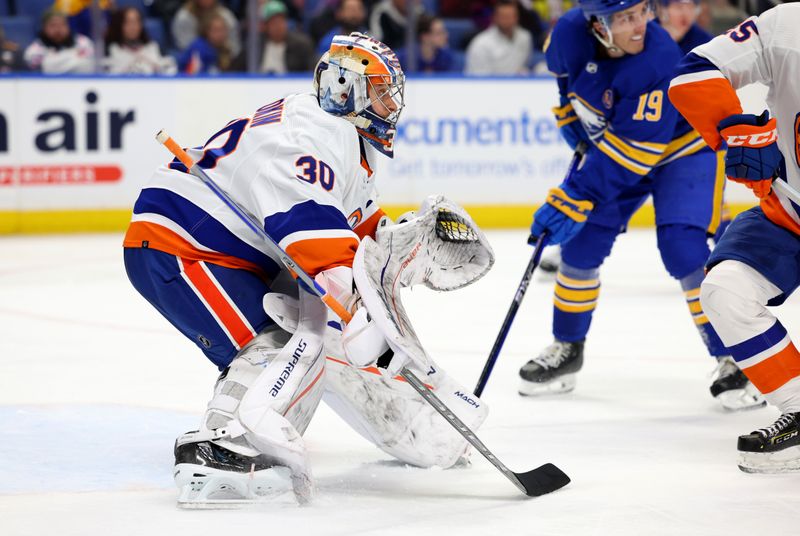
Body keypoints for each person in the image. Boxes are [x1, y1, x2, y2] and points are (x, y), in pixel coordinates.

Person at [123, 32, 485, 506]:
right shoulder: (313, 131)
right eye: (379, 90)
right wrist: (361, 316)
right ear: (348, 88)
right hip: (184, 246)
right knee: (279, 343)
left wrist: (401, 245)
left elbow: (356, 235)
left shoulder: (341, 139)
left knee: (320, 330)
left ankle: (413, 426)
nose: (388, 103)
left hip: (225, 251)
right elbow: (309, 229)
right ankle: (221, 444)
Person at [517, 0, 765, 412]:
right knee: (579, 249)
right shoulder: (566, 34)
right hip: (619, 145)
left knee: (683, 250)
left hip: (684, 150)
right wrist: (573, 125)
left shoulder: (659, 57)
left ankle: (732, 358)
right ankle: (567, 346)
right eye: (626, 18)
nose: (639, 26)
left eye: (642, 13)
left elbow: (629, 159)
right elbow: (566, 84)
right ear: (597, 25)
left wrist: (573, 196)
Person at [669, 3, 800, 473]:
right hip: (790, 212)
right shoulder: (787, 25)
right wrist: (735, 129)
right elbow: (693, 73)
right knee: (726, 290)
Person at [231, 1, 316, 74]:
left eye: (281, 21)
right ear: (265, 26)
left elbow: (311, 70)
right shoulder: (255, 45)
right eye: (274, 23)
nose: (278, 26)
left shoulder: (301, 45)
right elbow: (235, 70)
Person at [464, 0, 532, 75]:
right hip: (489, 84)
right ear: (495, 18)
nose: (508, 21)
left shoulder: (525, 37)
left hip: (517, 84)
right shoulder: (481, 44)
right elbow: (478, 78)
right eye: (504, 17)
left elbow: (523, 64)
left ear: (517, 18)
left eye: (511, 16)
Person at [104, 7, 177, 74]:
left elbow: (170, 68)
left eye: (136, 22)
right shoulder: (112, 50)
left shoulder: (152, 47)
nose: (133, 27)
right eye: (128, 22)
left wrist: (152, 64)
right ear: (120, 25)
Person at [24, 8, 95, 74]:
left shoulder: (83, 42)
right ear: (44, 28)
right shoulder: (34, 50)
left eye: (62, 25)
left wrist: (52, 62)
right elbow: (43, 69)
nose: (58, 30)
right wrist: (75, 59)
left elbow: (90, 66)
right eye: (53, 25)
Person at [171, 0, 241, 56]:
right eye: (215, 30)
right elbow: (186, 48)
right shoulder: (184, 17)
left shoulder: (226, 16)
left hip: (226, 60)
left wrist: (224, 47)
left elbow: (235, 47)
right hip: (196, 61)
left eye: (220, 30)